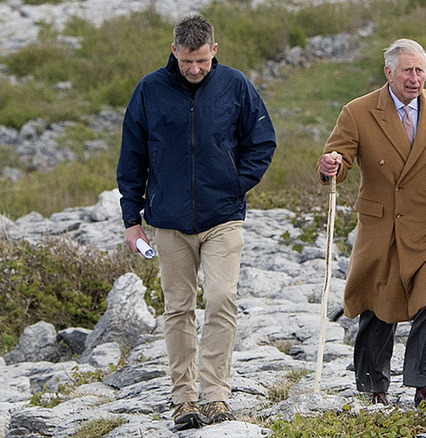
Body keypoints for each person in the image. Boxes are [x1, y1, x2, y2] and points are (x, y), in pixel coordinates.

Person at [116, 14, 276, 430]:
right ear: (174, 51)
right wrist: (131, 220)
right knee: (179, 309)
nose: (194, 69)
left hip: (223, 217)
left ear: (214, 51)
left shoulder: (236, 85)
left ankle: (217, 396)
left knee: (222, 300)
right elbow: (131, 157)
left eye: (202, 60)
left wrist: (234, 185)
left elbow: (262, 141)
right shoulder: (149, 90)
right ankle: (184, 399)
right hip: (167, 222)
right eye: (187, 60)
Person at [317, 39, 426, 407]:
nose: (414, 78)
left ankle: (424, 386)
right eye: (407, 71)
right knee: (378, 307)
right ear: (389, 72)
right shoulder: (358, 111)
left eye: (420, 71)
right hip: (382, 227)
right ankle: (373, 389)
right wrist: (330, 167)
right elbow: (339, 157)